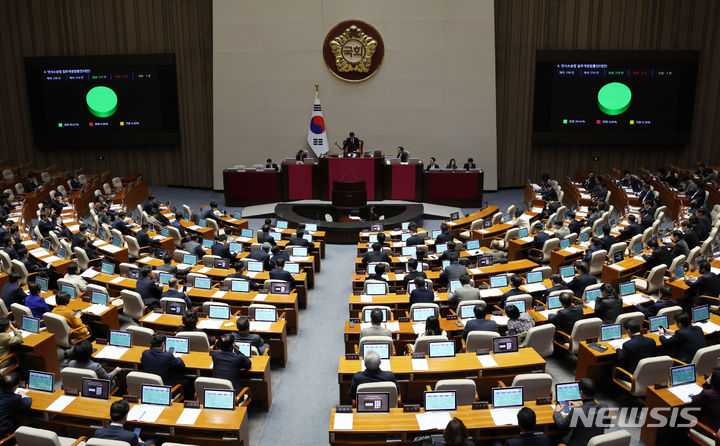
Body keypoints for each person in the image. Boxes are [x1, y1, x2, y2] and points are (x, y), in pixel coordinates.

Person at [553, 378, 604, 446]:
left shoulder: (577, 411)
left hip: (578, 443)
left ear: (581, 393)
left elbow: (562, 425)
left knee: (554, 438)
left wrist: (557, 412)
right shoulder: (604, 407)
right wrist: (580, 406)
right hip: (596, 442)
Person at [0, 373, 32, 438]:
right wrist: (23, 394)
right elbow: (28, 401)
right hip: (4, 432)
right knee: (33, 424)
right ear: (14, 387)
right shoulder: (14, 399)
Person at [690, 367, 720, 433]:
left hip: (711, 431)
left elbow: (694, 400)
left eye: (711, 376)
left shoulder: (708, 394)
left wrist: (707, 383)